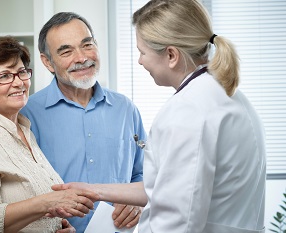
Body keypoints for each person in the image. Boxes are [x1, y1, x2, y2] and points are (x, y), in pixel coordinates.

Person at [52, 0, 267, 232]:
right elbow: (165, 186)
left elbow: (177, 219)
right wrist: (94, 190)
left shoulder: (188, 110)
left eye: (142, 52)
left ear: (171, 55)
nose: (140, 60)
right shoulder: (226, 93)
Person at [0, 36, 98, 233]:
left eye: (21, 72)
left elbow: (26, 212)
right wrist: (47, 202)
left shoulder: (24, 130)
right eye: (4, 76)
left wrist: (54, 226)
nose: (18, 83)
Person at [20, 12, 146, 232]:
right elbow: (21, 191)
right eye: (66, 51)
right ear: (47, 62)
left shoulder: (126, 109)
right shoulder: (27, 115)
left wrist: (136, 203)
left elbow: (142, 174)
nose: (81, 58)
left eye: (87, 45)